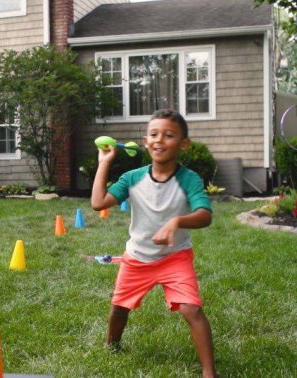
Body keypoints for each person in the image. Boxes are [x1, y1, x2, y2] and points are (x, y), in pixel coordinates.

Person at [91, 109, 216, 378]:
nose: (159, 140)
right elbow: (98, 203)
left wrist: (177, 222)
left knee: (191, 309)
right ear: (145, 142)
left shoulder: (189, 179)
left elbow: (205, 216)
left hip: (175, 257)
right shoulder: (132, 178)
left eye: (169, 135)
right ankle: (111, 345)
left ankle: (209, 373)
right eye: (154, 134)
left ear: (183, 144)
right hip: (137, 257)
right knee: (119, 307)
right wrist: (104, 163)